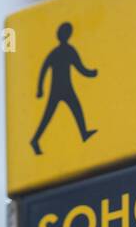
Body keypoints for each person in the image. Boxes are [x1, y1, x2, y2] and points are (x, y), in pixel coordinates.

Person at [31, 21, 98, 154]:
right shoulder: (61, 51)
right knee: (48, 116)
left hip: (65, 88)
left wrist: (91, 73)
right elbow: (44, 70)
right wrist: (39, 89)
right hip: (58, 88)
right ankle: (35, 140)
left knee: (76, 109)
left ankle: (84, 133)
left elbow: (80, 67)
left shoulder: (66, 51)